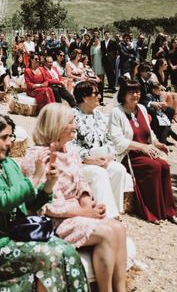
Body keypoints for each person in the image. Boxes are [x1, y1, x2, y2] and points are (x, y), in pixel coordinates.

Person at [0, 111, 89, 292]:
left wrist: (48, 186)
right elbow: (1, 202)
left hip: (17, 236)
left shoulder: (8, 164)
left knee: (66, 250)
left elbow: (29, 204)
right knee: (49, 256)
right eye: (4, 137)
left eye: (11, 136)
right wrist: (35, 178)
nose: (10, 142)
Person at [22, 103, 128, 292]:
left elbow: (82, 183)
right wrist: (84, 212)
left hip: (77, 212)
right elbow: (45, 205)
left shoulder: (69, 151)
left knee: (118, 227)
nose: (76, 126)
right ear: (57, 125)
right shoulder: (37, 156)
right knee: (107, 233)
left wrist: (88, 203)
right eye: (71, 122)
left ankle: (121, 289)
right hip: (53, 220)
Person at [108, 80, 177, 225]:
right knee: (153, 167)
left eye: (138, 92)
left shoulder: (141, 108)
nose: (135, 95)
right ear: (123, 94)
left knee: (164, 166)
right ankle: (151, 211)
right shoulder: (117, 112)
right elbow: (118, 142)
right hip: (129, 154)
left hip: (145, 152)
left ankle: (169, 211)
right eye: (131, 92)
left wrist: (157, 144)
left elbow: (149, 132)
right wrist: (143, 147)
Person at [72, 82, 132, 217]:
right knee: (99, 173)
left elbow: (109, 140)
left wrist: (109, 156)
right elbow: (69, 145)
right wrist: (89, 159)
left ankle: (115, 211)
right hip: (81, 162)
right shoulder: (72, 116)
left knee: (119, 169)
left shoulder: (100, 116)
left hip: (101, 159)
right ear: (84, 97)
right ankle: (107, 215)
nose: (100, 96)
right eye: (96, 93)